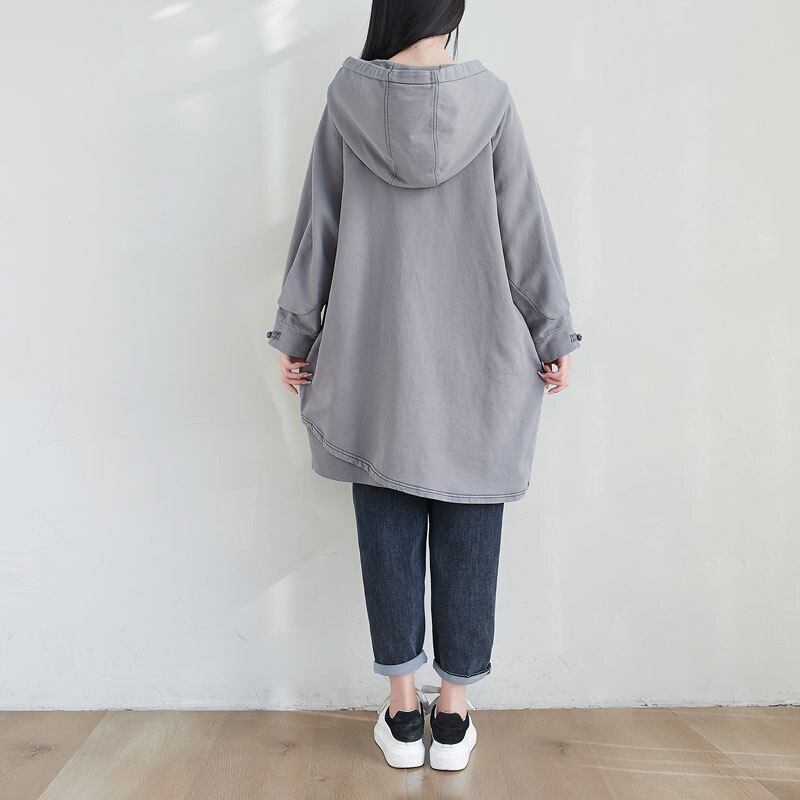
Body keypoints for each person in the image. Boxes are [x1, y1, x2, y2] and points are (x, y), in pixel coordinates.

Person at [267, 0, 581, 772]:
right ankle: (455, 715)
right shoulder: (491, 100)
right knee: (472, 518)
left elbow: (319, 227)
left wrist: (296, 331)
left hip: (374, 362)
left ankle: (403, 714)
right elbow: (525, 230)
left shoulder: (347, 100)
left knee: (387, 518)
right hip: (480, 361)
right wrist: (552, 334)